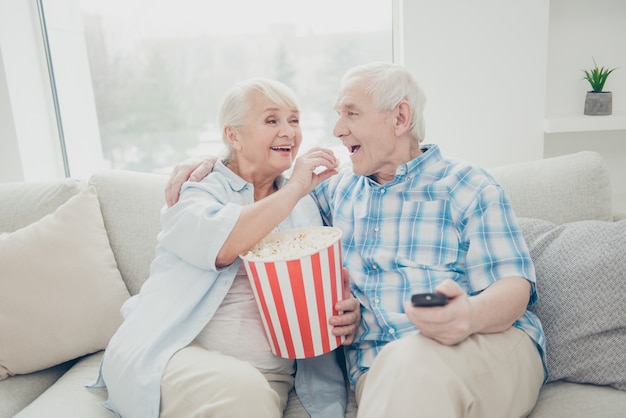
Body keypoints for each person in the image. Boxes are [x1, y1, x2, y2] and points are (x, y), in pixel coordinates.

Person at [165, 62, 547, 418]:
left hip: (481, 344)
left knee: (410, 363)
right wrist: (216, 161)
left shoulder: (467, 186)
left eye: (351, 113)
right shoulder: (336, 191)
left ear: (399, 118)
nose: (337, 129)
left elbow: (514, 289)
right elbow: (263, 198)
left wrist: (468, 316)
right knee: (401, 367)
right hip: (381, 372)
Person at [92, 78, 361, 418]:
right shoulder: (197, 191)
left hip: (267, 377)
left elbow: (318, 281)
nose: (289, 132)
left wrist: (346, 310)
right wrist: (294, 188)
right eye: (271, 120)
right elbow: (224, 245)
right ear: (233, 136)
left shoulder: (306, 203)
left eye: (294, 120)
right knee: (243, 393)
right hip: (175, 353)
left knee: (248, 392)